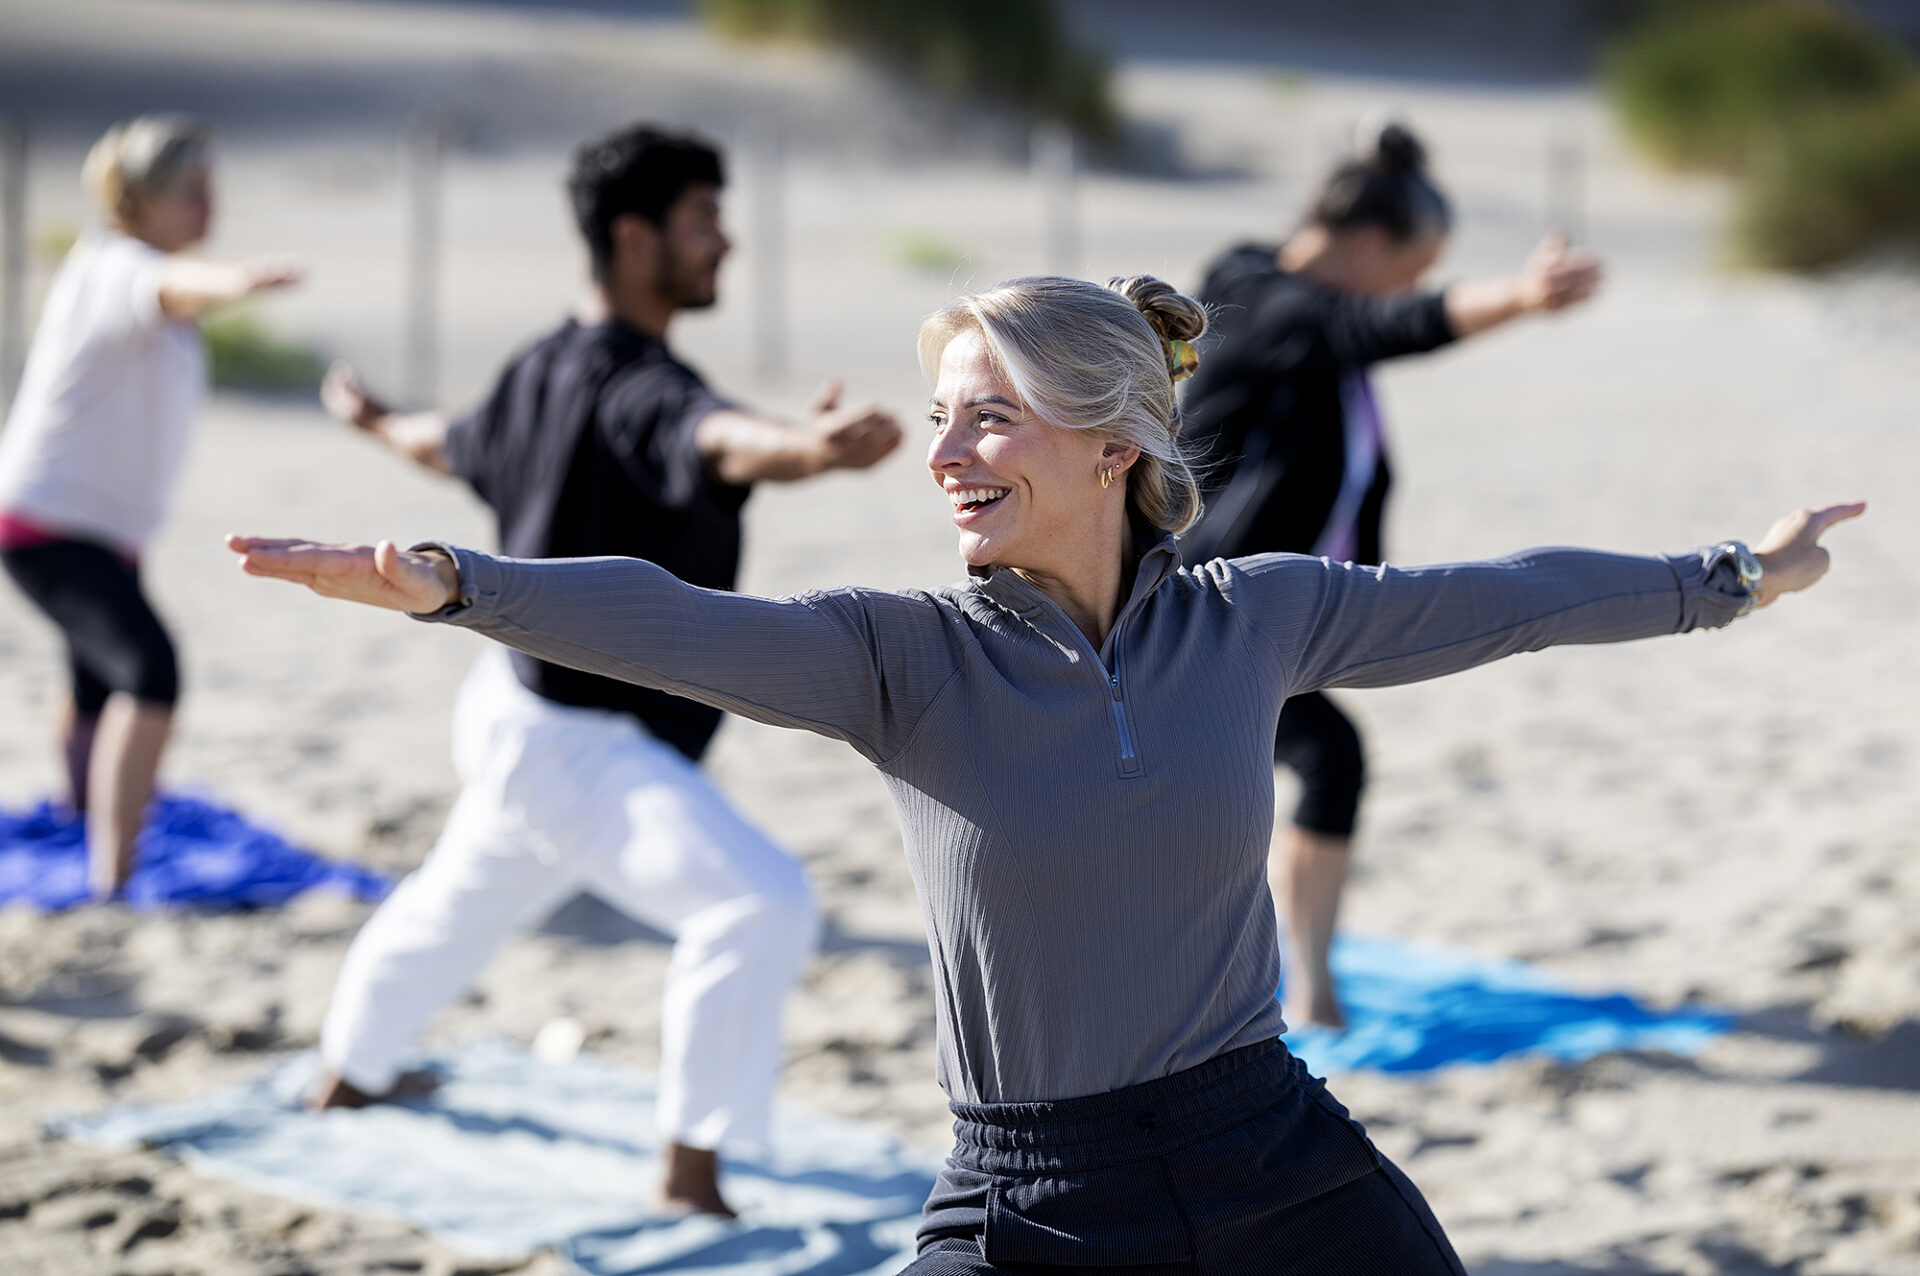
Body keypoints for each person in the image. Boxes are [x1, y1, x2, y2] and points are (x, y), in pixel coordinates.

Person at [228, 271, 1859, 1273]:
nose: (944, 456)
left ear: (1113, 446)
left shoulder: (1254, 618)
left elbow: (1504, 601)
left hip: (1273, 1153)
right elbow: (680, 619)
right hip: (1033, 1199)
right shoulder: (902, 658)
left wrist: (1733, 574)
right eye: (942, 420)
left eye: (988, 420)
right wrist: (460, 583)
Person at [301, 123, 903, 1217]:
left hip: (516, 711)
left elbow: (446, 441)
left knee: (460, 900)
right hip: (579, 741)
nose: (725, 244)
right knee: (760, 903)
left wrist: (375, 418)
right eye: (704, 221)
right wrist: (814, 449)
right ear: (634, 237)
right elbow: (719, 438)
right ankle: (691, 1176)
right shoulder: (641, 389)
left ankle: (351, 1070)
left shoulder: (539, 365)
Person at [1180, 121, 1604, 1029]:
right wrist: (1521, 297)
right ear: (1369, 243)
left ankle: (1302, 981)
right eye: (1417, 267)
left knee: (1319, 760)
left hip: (1273, 615)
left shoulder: (1312, 326)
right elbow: (1384, 325)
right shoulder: (1253, 298)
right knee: (1307, 762)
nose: (1415, 286)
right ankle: (1302, 989)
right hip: (1196, 609)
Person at [0, 114, 302, 899]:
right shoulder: (117, 267)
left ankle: (80, 817)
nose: (210, 206)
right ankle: (114, 880)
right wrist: (239, 283)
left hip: (97, 529)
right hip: (49, 523)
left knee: (97, 679)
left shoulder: (124, 268)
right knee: (152, 673)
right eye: (193, 191)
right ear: (142, 199)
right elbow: (169, 288)